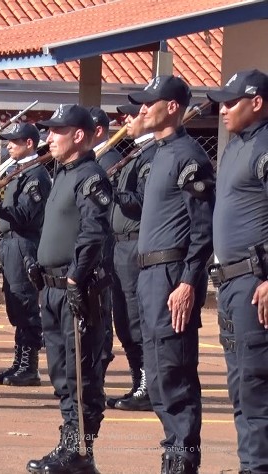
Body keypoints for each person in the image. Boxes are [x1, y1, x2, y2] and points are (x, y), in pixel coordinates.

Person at [129, 75, 214, 473]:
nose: (142, 109)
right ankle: (172, 448)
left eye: (150, 102)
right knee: (157, 369)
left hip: (170, 275)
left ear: (173, 107)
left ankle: (184, 456)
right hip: (148, 274)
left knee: (174, 369)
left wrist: (187, 283)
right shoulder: (157, 154)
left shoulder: (188, 155)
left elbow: (203, 228)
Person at [22, 104, 112, 473]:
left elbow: (93, 232)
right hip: (53, 288)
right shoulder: (62, 174)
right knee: (62, 373)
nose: (48, 138)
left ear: (78, 135)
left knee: (81, 374)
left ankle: (80, 451)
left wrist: (76, 276)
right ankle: (72, 446)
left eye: (56, 131)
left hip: (78, 290)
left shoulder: (90, 176)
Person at [207, 69, 268, 474]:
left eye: (232, 102)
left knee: (254, 383)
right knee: (238, 384)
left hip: (254, 282)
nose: (223, 109)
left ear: (257, 102)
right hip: (229, 282)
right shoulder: (235, 146)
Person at [0, 122, 51, 386]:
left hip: (24, 244)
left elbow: (25, 215)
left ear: (30, 143)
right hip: (10, 244)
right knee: (15, 306)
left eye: (14, 142)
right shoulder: (18, 171)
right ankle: (19, 363)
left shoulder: (35, 176)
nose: (9, 146)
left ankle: (29, 366)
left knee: (26, 305)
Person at [106, 104, 155, 412]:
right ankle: (138, 381)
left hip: (136, 245)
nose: (126, 120)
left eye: (132, 114)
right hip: (119, 247)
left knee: (137, 321)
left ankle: (147, 386)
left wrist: (111, 191)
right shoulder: (135, 155)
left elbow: (143, 203)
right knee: (123, 322)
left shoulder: (151, 158)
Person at [90, 107, 120, 375]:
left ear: (98, 131)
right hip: (92, 239)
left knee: (102, 302)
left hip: (105, 241)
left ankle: (102, 356)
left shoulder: (109, 159)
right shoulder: (94, 159)